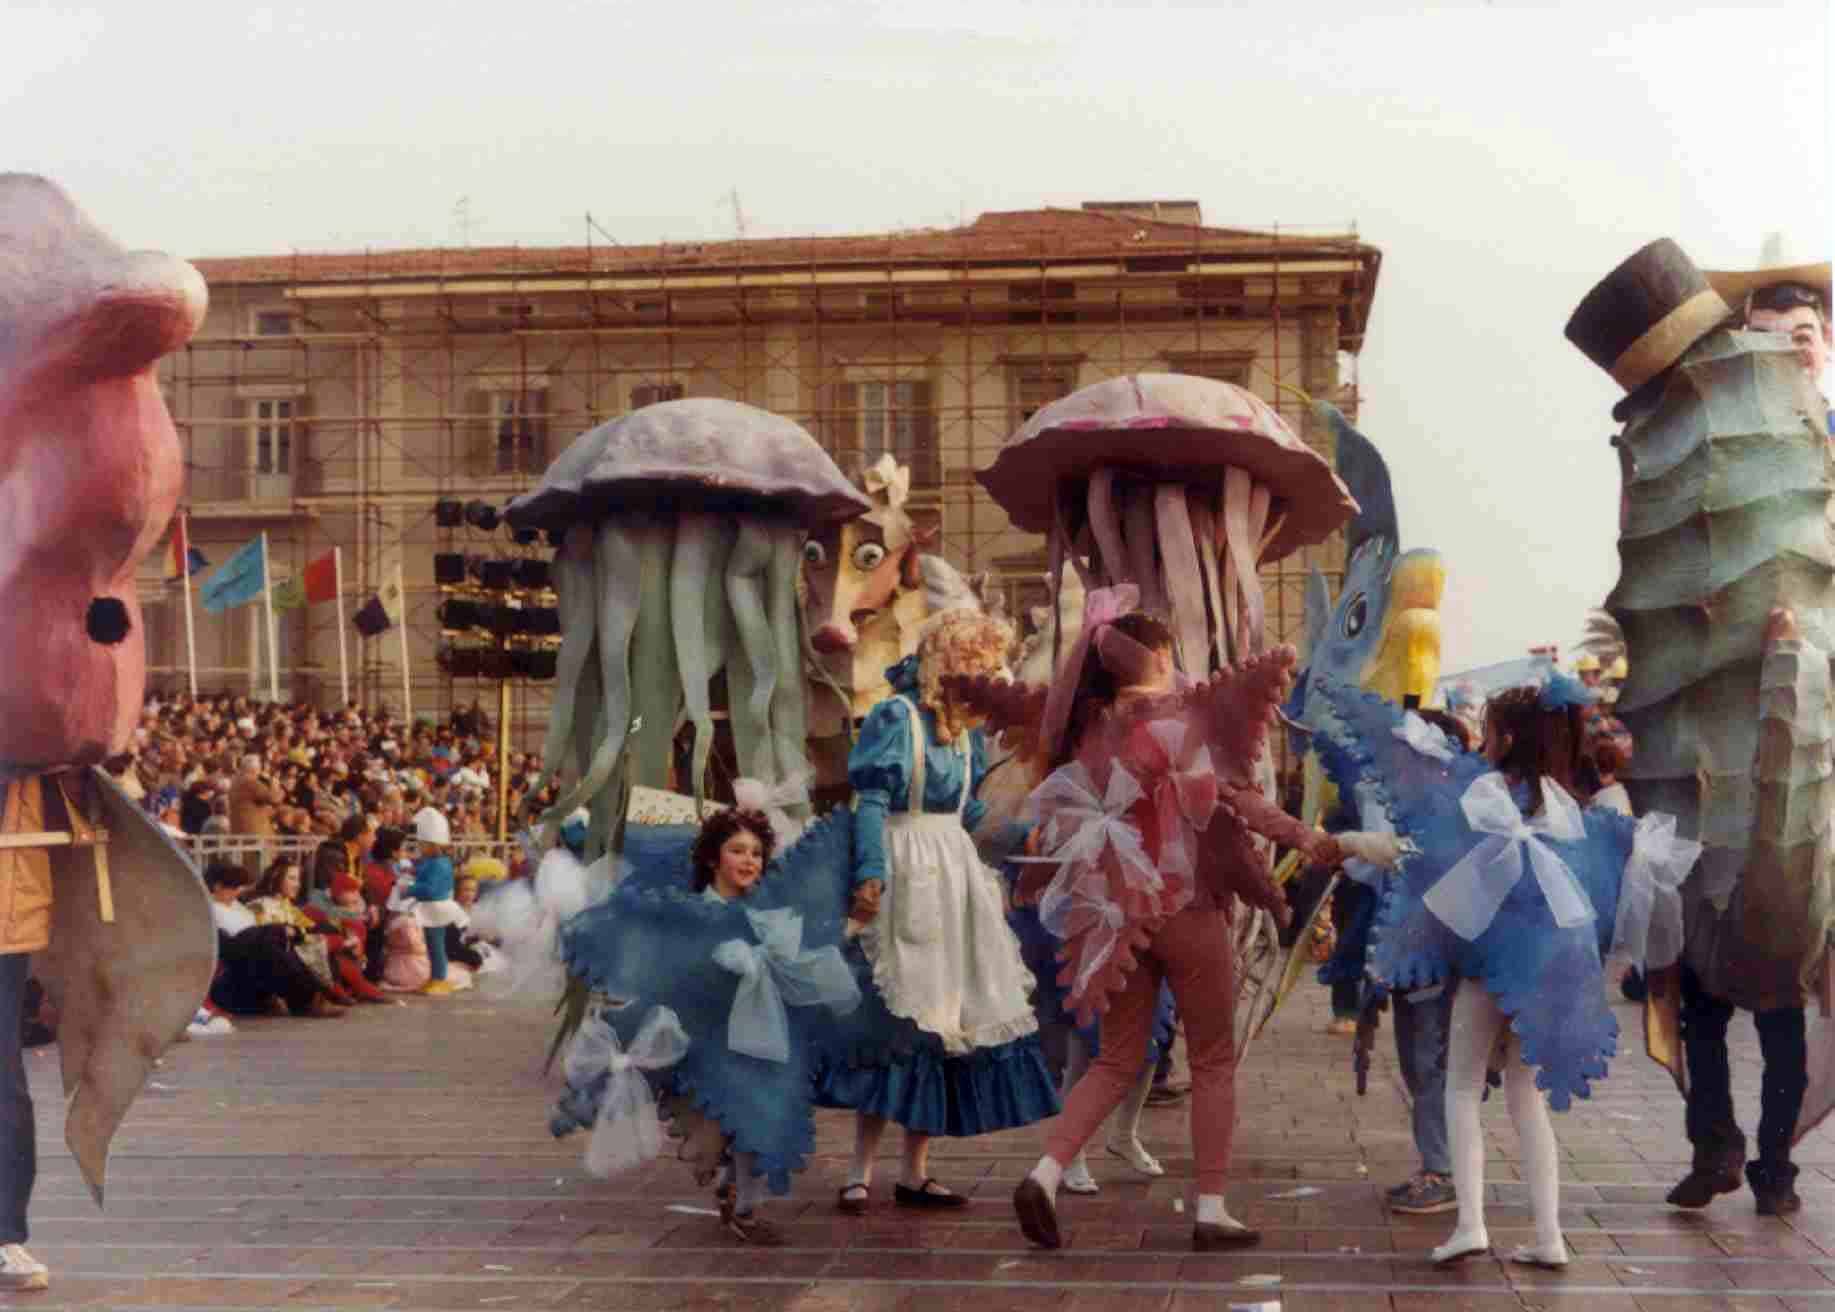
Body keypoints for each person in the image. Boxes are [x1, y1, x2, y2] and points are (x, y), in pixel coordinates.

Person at [1007, 600, 1342, 1252]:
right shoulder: (1174, 724)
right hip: (1187, 909)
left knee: (1115, 1057)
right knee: (1213, 1060)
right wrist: (1306, 837)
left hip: (1120, 914)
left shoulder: (1088, 729)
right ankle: (1211, 1209)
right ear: (1161, 657)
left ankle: (1045, 1173)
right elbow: (1236, 801)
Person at [828, 609, 1059, 1215]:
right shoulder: (896, 718)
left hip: (952, 880)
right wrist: (871, 873)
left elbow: (968, 816)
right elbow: (872, 801)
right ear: (949, 664)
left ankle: (915, 1171)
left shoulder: (963, 737)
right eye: (978, 665)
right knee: (895, 1021)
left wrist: (1022, 837)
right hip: (908, 874)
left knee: (944, 1020)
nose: (987, 678)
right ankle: (859, 1169)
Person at [205, 862, 347, 1020]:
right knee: (271, 942)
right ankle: (310, 998)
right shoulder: (208, 909)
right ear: (218, 887)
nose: (238, 891)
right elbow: (229, 946)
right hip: (231, 974)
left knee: (279, 943)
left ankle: (312, 996)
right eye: (234, 887)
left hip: (253, 963)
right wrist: (274, 931)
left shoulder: (236, 906)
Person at [406, 806, 463, 996]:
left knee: (436, 945)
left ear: (433, 844)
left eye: (422, 844)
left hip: (437, 910)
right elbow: (423, 875)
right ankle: (435, 976)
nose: (419, 848)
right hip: (430, 910)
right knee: (432, 945)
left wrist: (411, 889)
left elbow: (431, 889)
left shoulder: (440, 864)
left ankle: (440, 977)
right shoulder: (431, 861)